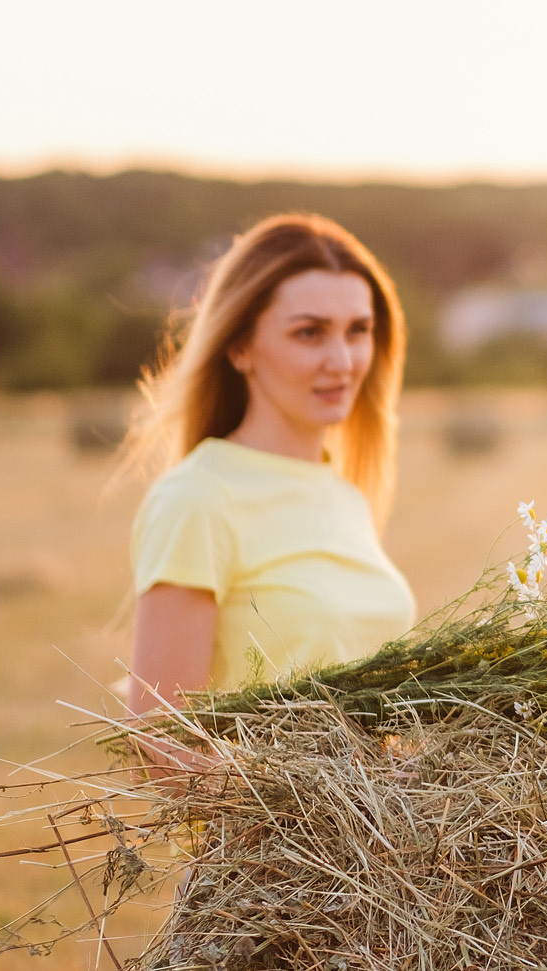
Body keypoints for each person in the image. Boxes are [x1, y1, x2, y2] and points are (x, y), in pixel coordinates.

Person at [121, 213, 415, 727]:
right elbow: (162, 744)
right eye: (309, 333)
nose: (343, 361)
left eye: (358, 331)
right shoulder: (198, 499)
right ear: (240, 347)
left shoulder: (347, 496)